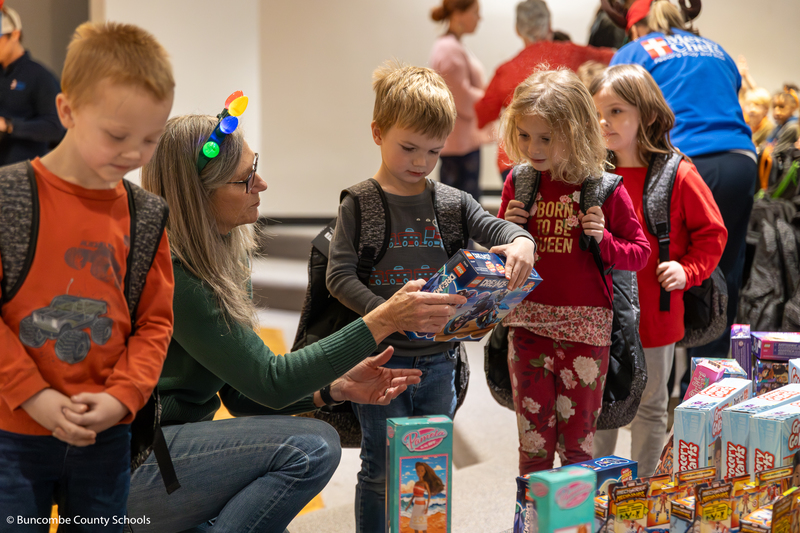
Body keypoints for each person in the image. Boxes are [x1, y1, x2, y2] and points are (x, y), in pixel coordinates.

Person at [123, 106, 470, 532]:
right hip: (136, 461)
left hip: (172, 448)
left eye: (256, 168)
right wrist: (382, 320)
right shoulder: (176, 271)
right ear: (199, 194)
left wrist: (335, 389)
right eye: (245, 178)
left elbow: (240, 395)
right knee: (310, 447)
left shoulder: (220, 256)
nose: (262, 184)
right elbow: (271, 380)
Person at [326, 62, 536, 532]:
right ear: (377, 132)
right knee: (381, 468)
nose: (420, 161)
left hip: (440, 361)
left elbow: (496, 227)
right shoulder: (360, 203)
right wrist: (386, 315)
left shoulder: (451, 202)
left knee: (430, 466)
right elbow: (338, 277)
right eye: (408, 148)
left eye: (433, 152)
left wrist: (521, 240)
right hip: (380, 360)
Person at [0, 22, 175, 532]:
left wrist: (122, 396)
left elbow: (155, 323)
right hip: (14, 432)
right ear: (67, 111)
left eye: (150, 139)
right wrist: (34, 395)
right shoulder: (9, 197)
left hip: (107, 434)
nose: (134, 155)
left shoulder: (146, 215)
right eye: (118, 136)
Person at [498, 68, 650, 474]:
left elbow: (639, 254)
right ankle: (533, 521)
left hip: (586, 332)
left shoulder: (605, 187)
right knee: (533, 450)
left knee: (579, 452)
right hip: (528, 326)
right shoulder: (520, 181)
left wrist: (604, 240)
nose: (534, 147)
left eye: (546, 137)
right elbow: (499, 265)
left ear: (578, 130)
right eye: (525, 135)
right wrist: (511, 230)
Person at [589, 64, 726, 477]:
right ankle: (598, 497)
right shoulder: (591, 173)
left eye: (616, 111)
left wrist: (688, 271)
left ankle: (643, 494)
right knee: (598, 410)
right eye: (597, 113)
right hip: (598, 317)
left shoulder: (678, 173)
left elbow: (712, 234)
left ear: (647, 115)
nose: (604, 123)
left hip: (657, 317)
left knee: (650, 408)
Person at [607, 0, 757, 375]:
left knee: (666, 265)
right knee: (721, 269)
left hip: (686, 164)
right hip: (741, 160)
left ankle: (657, 372)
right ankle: (706, 385)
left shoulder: (635, 49)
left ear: (637, 26)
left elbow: (612, 99)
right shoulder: (716, 49)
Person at [475, 0, 615, 179]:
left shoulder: (506, 70)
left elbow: (482, 116)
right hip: (564, 156)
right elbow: (615, 57)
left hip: (517, 159)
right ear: (549, 24)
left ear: (518, 29)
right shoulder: (573, 54)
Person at [429, 0, 486, 201]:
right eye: (475, 12)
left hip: (461, 141)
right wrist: (491, 100)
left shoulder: (451, 46)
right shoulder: (449, 49)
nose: (480, 18)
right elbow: (459, 97)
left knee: (460, 206)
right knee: (458, 208)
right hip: (458, 144)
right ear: (458, 14)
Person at [0, 4, 64, 165]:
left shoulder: (39, 76)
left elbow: (56, 127)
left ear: (15, 34)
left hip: (26, 176)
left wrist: (9, 126)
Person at [404, 462, 444, 533]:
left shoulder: (425, 483)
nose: (419, 473)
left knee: (422, 523)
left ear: (425, 472)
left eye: (422, 471)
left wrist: (427, 507)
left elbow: (429, 495)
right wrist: (409, 505)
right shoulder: (416, 483)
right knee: (415, 524)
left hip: (421, 504)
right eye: (418, 471)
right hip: (416, 504)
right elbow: (414, 495)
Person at [742, 88, 775, 152]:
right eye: (749, 105)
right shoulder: (746, 125)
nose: (752, 110)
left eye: (757, 105)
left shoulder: (770, 129)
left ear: (766, 109)